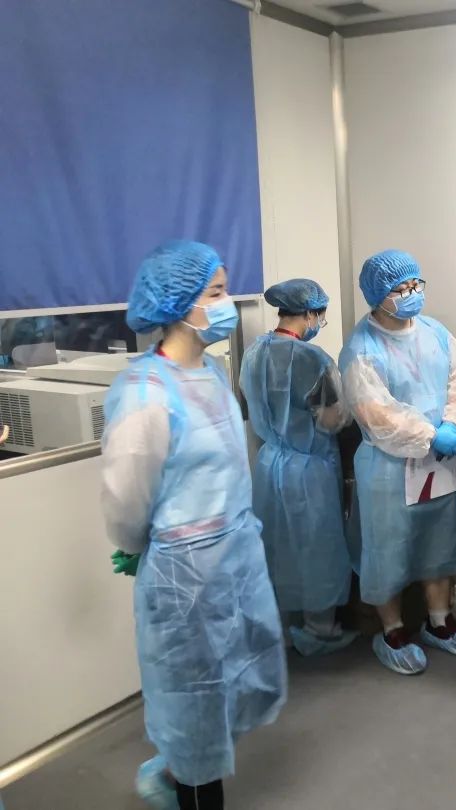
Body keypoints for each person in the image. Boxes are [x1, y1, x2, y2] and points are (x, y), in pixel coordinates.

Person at [101, 241, 287, 810]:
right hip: (185, 571)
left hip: (237, 555)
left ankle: (179, 771)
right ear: (180, 303)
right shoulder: (144, 392)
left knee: (242, 675)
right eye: (217, 292)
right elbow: (127, 494)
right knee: (193, 695)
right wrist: (133, 543)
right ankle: (190, 783)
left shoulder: (212, 371)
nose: (228, 304)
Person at [339, 250, 456, 675]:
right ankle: (393, 630)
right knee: (388, 549)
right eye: (401, 289)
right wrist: (427, 434)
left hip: (439, 460)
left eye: (416, 284)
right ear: (377, 296)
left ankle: (440, 622)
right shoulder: (362, 348)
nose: (412, 293)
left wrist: (451, 422)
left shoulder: (435, 332)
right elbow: (375, 413)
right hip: (388, 467)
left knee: (439, 540)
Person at [240, 279, 356, 657]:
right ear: (309, 314)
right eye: (320, 315)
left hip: (269, 463)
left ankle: (282, 629)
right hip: (308, 469)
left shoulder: (253, 352)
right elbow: (332, 420)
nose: (320, 322)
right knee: (315, 548)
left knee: (276, 546)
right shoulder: (313, 360)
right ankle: (319, 629)